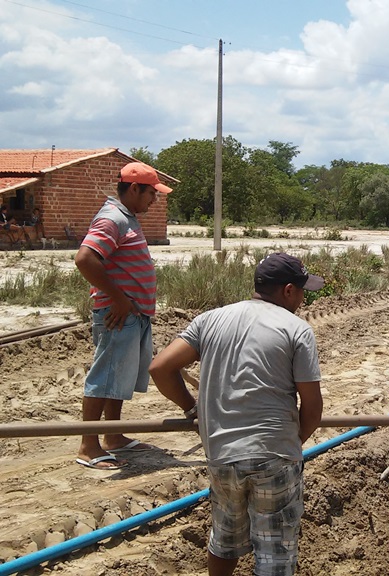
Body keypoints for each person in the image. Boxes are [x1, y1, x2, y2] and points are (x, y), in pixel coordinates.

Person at [149, 252, 324, 576]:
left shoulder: (210, 320)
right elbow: (312, 409)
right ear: (288, 291)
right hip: (274, 457)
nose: (302, 299)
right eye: (301, 291)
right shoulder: (296, 330)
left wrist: (192, 407)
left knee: (224, 540)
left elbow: (160, 368)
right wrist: (287, 443)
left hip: (221, 455)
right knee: (274, 554)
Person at [74, 162, 171, 470]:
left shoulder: (126, 218)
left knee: (119, 377)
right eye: (151, 194)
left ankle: (113, 435)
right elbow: (85, 259)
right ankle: (89, 445)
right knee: (104, 377)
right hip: (119, 314)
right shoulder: (112, 218)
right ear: (134, 189)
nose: (154, 200)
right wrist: (118, 299)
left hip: (131, 314)